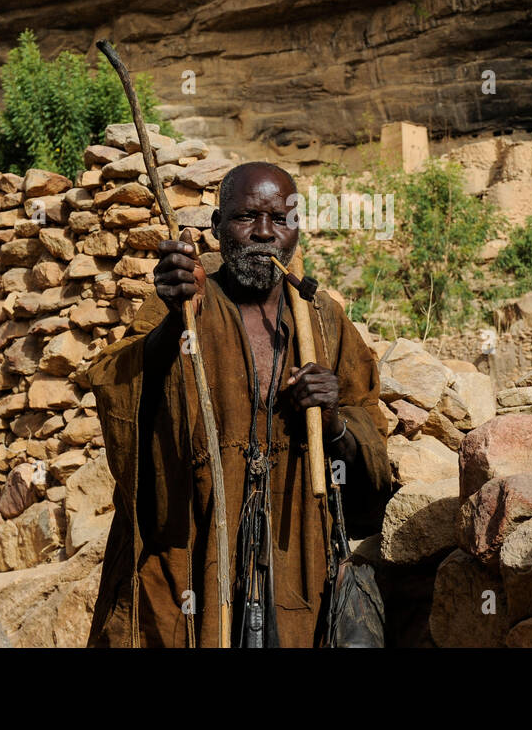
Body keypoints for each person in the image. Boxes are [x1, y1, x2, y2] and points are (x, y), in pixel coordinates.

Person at [85, 161, 391, 647]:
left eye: (281, 219)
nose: (264, 233)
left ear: (297, 229)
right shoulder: (188, 300)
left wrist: (333, 421)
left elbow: (368, 440)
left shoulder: (322, 318)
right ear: (217, 227)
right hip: (192, 549)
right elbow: (121, 393)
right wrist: (173, 321)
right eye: (247, 217)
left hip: (297, 553)